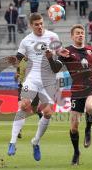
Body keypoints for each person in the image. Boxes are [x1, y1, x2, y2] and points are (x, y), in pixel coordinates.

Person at [45, 24, 92, 165]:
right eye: (78, 33)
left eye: (82, 33)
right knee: (73, 127)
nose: (80, 35)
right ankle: (76, 153)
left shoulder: (91, 50)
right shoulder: (66, 52)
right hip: (77, 90)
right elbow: (56, 69)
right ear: (72, 36)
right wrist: (50, 58)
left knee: (90, 107)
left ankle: (88, 130)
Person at [7, 13, 63, 161]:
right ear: (31, 25)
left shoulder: (53, 37)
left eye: (41, 23)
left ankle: (35, 142)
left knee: (48, 113)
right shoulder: (26, 41)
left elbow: (60, 58)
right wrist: (17, 71)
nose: (39, 26)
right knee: (24, 105)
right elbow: (19, 59)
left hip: (49, 80)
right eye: (36, 24)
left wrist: (56, 56)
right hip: (32, 78)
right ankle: (12, 142)